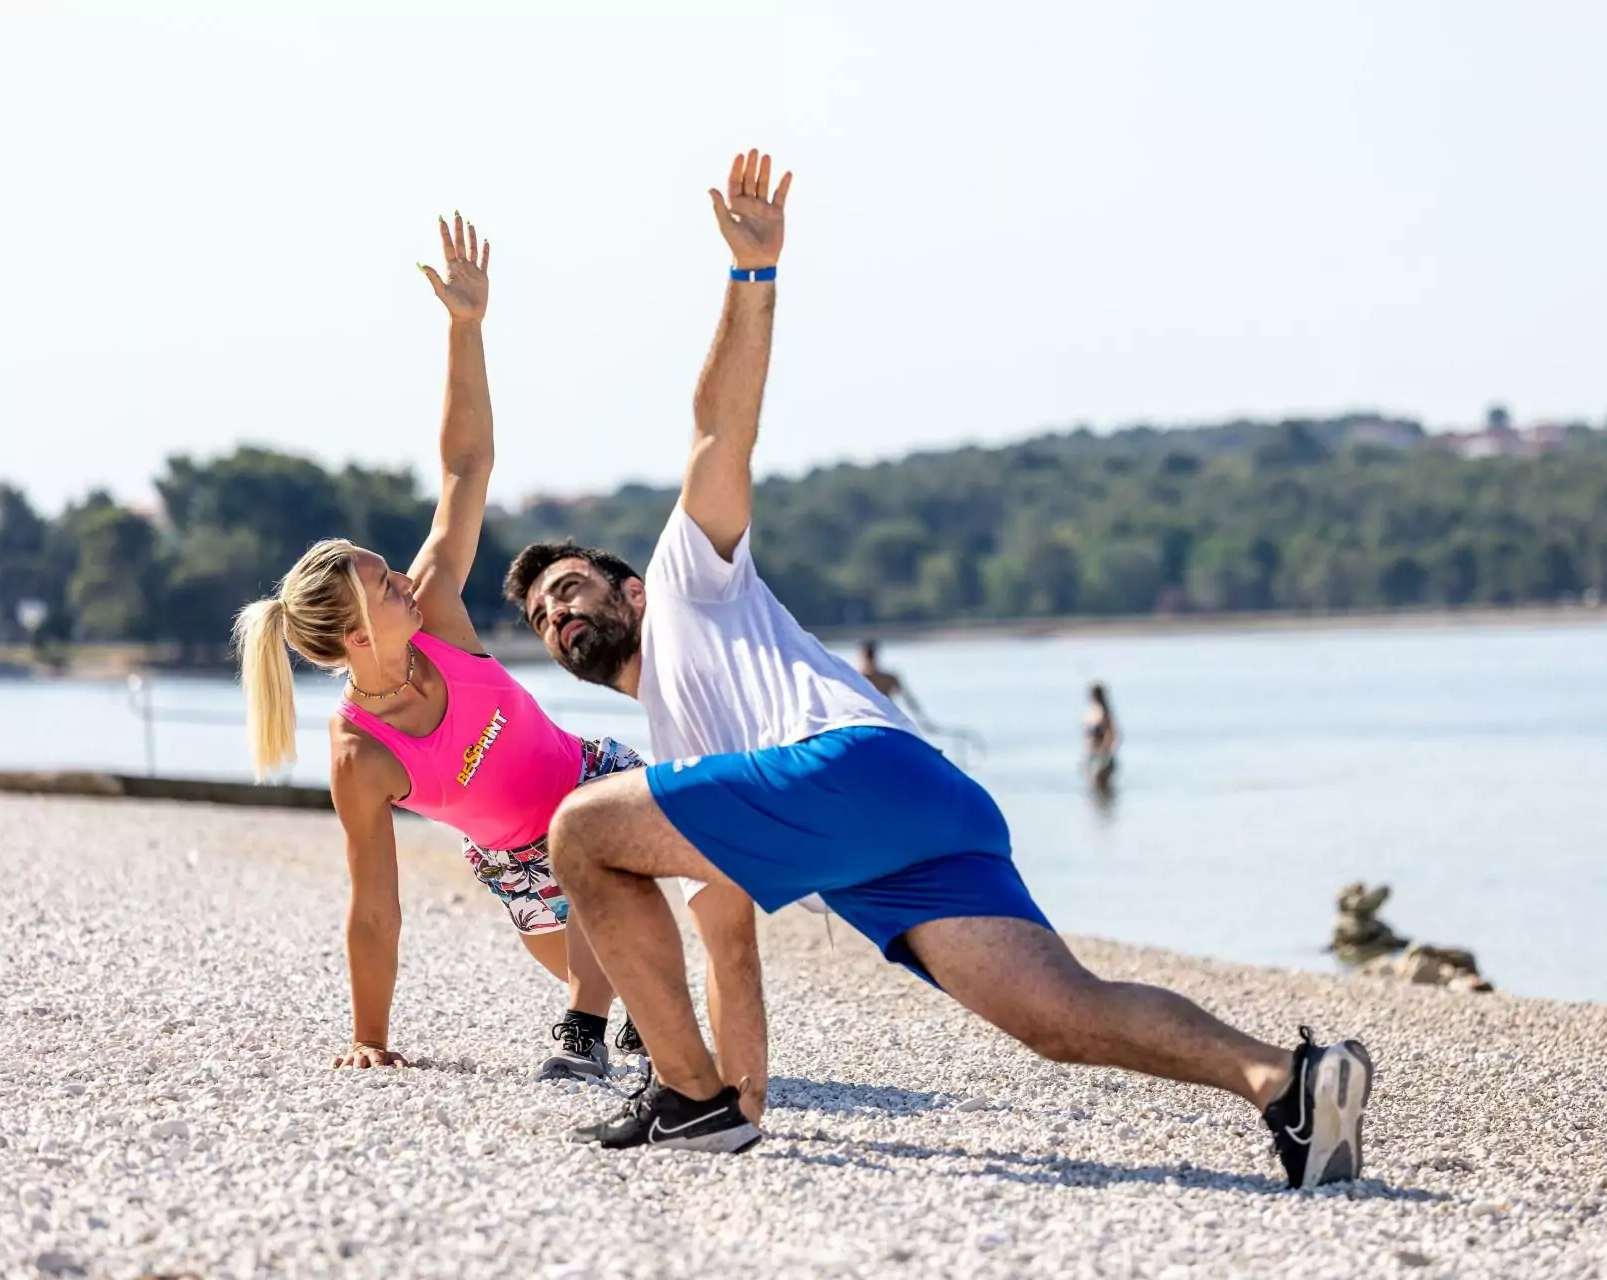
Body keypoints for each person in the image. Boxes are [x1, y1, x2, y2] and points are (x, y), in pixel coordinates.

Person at [513, 149, 1374, 1186]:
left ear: (630, 593)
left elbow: (718, 429)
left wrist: (751, 277)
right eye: (539, 612)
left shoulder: (691, 578)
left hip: (853, 769)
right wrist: (743, 1102)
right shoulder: (687, 760)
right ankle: (1287, 1078)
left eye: (569, 587)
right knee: (1059, 1015)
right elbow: (729, 942)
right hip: (910, 816)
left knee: (578, 825)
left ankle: (679, 1097)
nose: (558, 610)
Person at [232, 214, 766, 1099]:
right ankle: (616, 1014)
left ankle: (586, 1028)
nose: (405, 576)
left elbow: (466, 467)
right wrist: (371, 1037)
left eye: (389, 566)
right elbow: (372, 905)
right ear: (358, 638)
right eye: (383, 581)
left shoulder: (435, 610)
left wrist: (466, 329)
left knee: (620, 910)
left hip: (595, 779)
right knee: (624, 970)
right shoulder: (363, 755)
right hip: (517, 861)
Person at [856, 639, 937, 732]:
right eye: (867, 656)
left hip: (886, 719)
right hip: (864, 721)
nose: (869, 660)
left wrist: (924, 722)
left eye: (871, 656)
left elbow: (910, 702)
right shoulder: (855, 678)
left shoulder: (889, 678)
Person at [1083, 680, 1119, 794]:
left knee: (1102, 791)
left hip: (1103, 757)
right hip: (1093, 755)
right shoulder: (1092, 712)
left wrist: (1104, 751)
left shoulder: (1105, 713)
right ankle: (1102, 811)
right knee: (1096, 792)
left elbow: (1112, 733)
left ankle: (1105, 811)